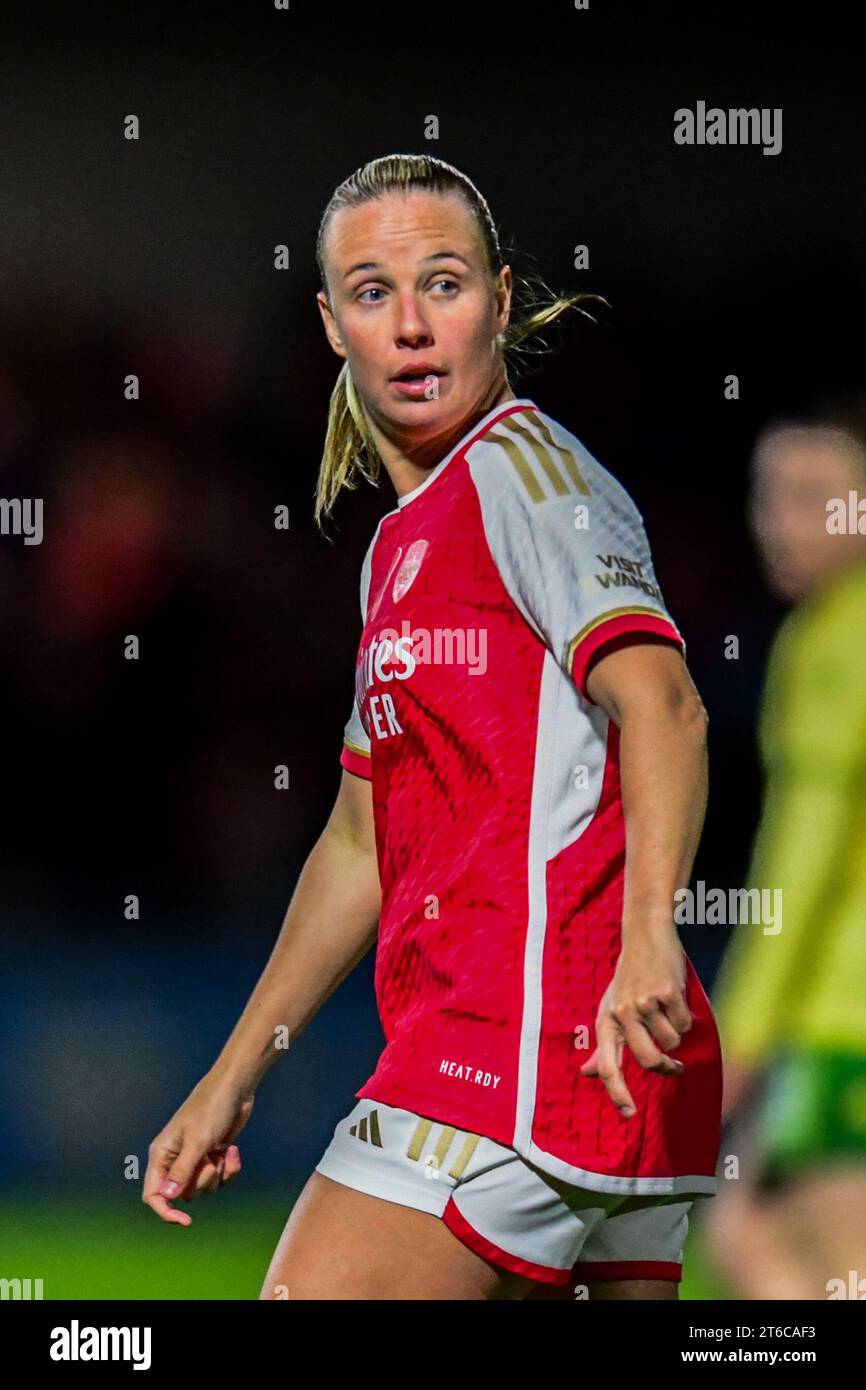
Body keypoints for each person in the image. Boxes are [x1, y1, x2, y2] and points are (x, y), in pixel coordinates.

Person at [144, 153, 722, 1301]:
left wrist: (650, 932)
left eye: (443, 284)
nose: (410, 326)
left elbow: (663, 705)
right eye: (372, 292)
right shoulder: (401, 544)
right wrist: (232, 1072)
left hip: (522, 1046)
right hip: (579, 1062)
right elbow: (359, 845)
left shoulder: (532, 479)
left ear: (500, 301)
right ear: (329, 323)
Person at [706, 407, 866, 1300]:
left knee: (806, 1252)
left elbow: (800, 861)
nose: (782, 521)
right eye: (770, 495)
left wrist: (744, 1035)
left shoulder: (835, 642)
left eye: (817, 497)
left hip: (843, 1015)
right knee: (754, 1233)